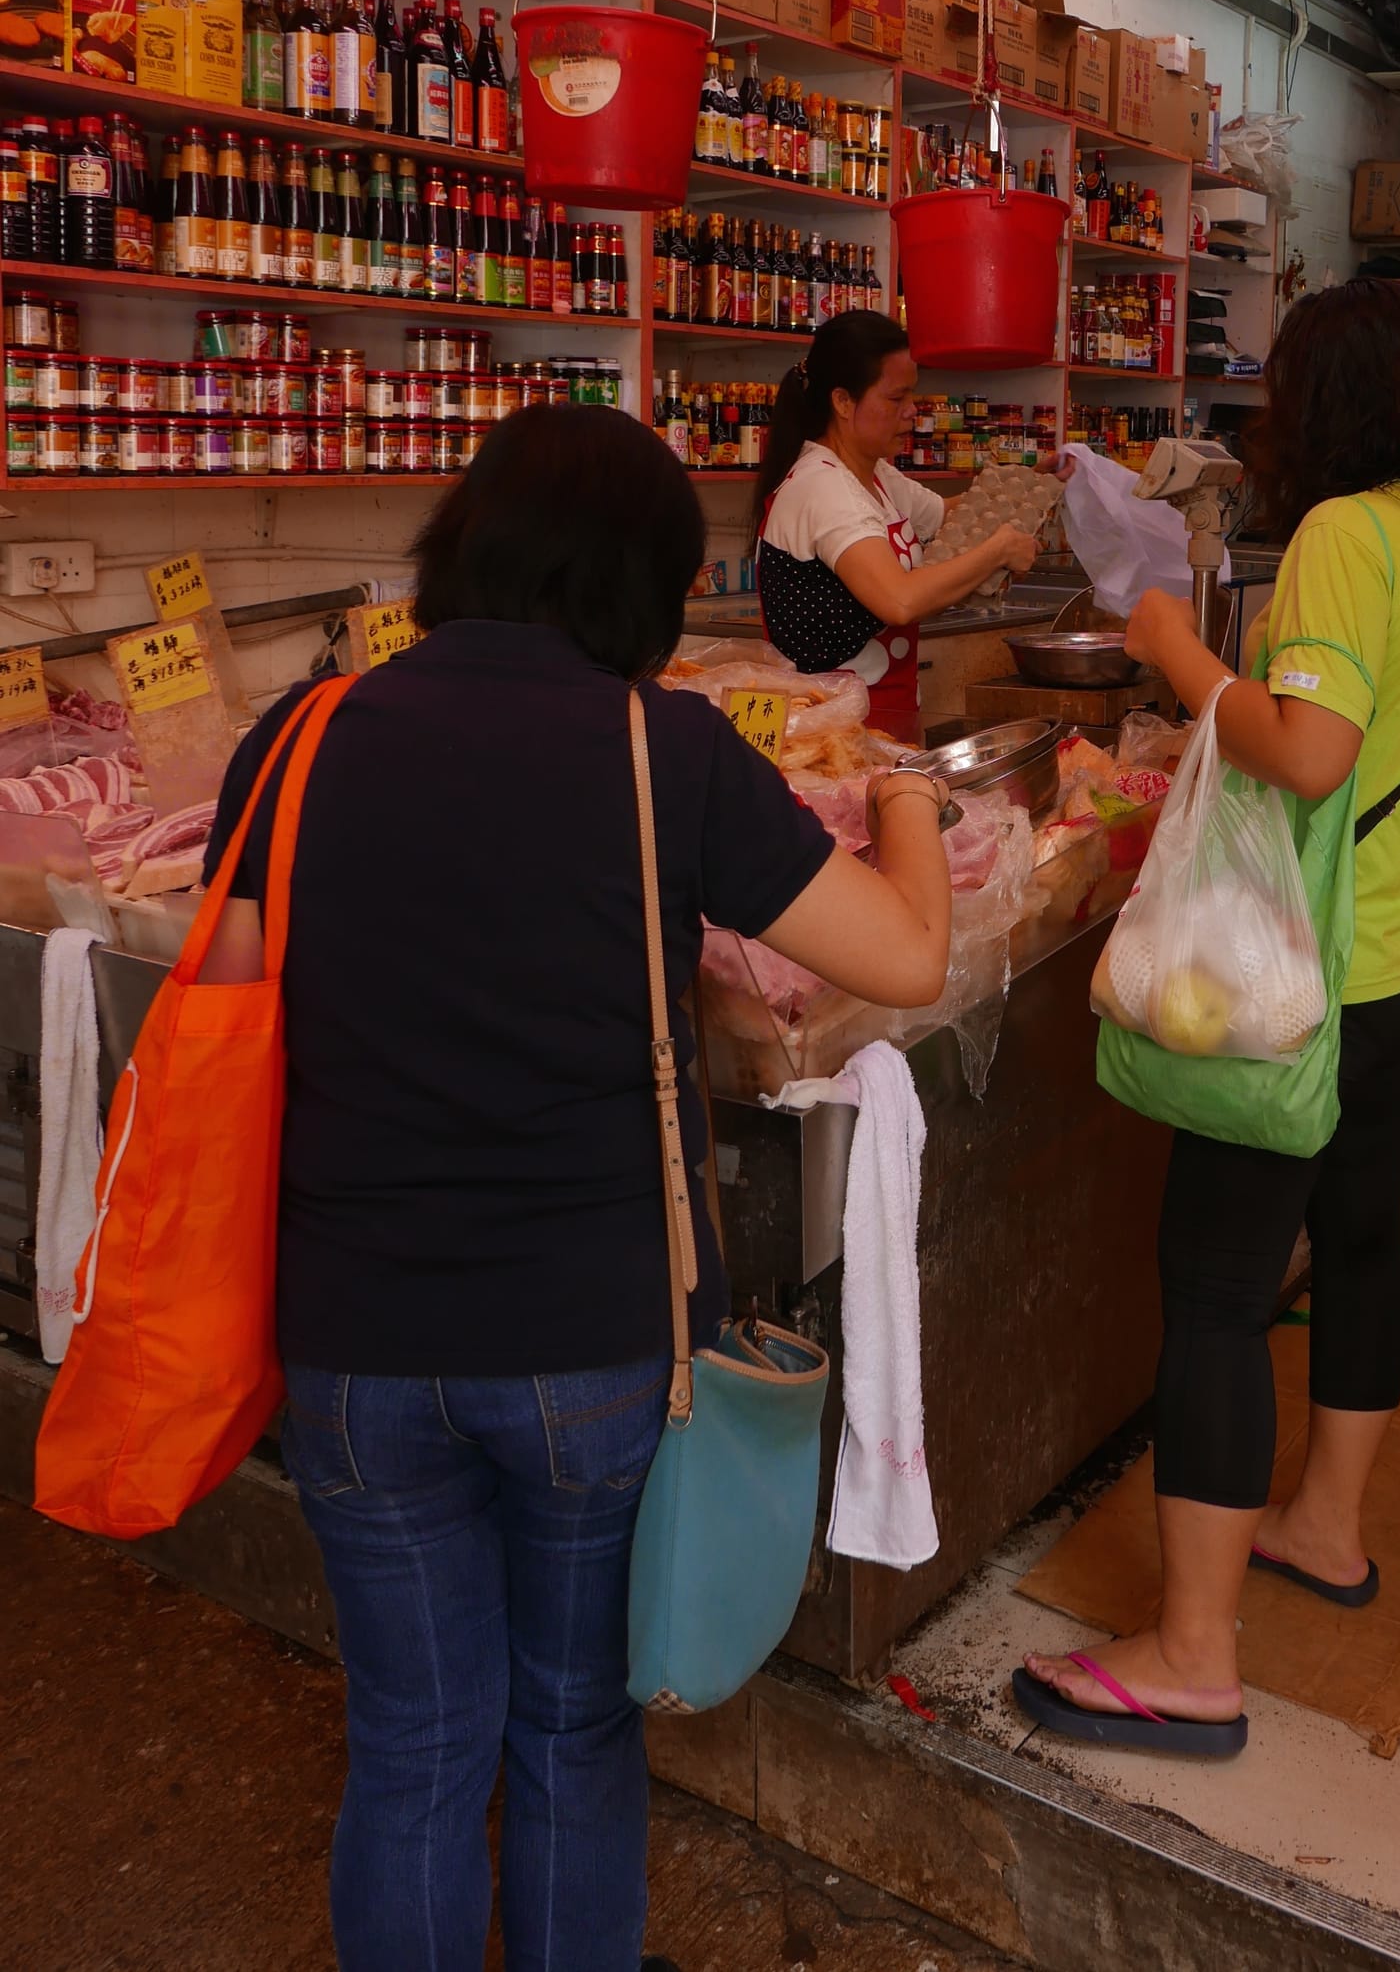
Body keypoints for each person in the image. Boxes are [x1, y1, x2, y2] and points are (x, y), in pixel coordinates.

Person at [195, 403, 955, 1972]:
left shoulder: (303, 730)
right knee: (570, 1719)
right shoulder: (655, 741)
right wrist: (907, 799)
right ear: (643, 581)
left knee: (411, 1741)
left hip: (352, 1335)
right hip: (589, 1342)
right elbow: (909, 952)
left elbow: (234, 997)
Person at [1017, 279, 1400, 1754]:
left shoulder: (1350, 536)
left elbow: (1305, 755)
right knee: (1364, 1231)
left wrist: (1174, 647)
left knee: (1220, 1291)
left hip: (1306, 979)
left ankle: (1190, 1654)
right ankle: (1325, 1525)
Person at [753, 311, 1040, 743]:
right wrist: (997, 550)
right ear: (843, 401)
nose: (912, 412)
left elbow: (953, 517)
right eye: (895, 398)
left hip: (884, 723)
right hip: (825, 738)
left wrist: (1032, 485)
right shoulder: (823, 487)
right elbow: (899, 601)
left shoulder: (874, 475)